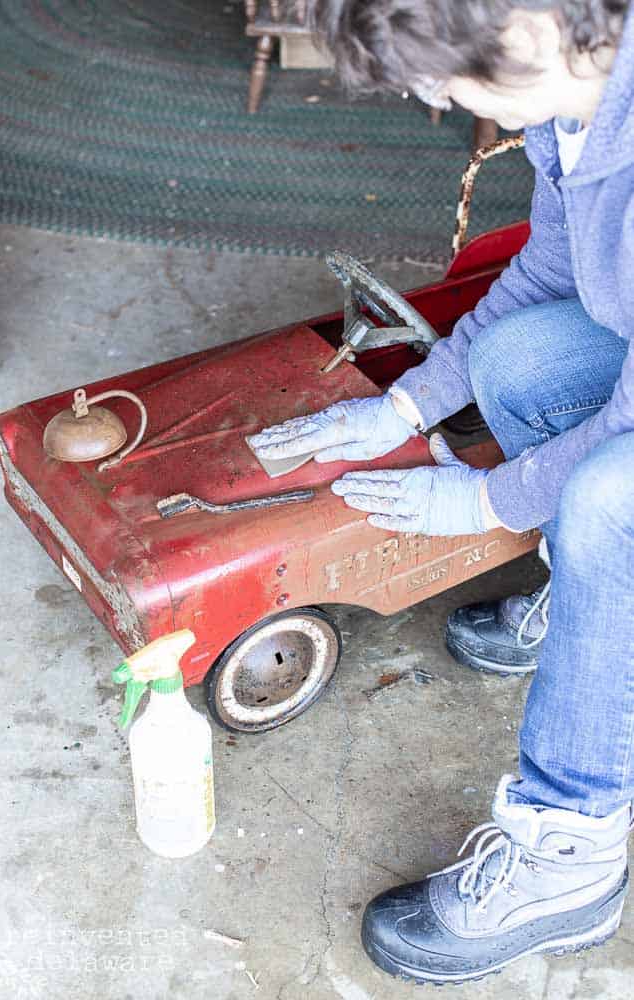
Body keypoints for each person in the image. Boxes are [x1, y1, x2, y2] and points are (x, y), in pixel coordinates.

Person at [249, 0, 634, 985]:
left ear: (539, 31)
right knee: (520, 358)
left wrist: (489, 499)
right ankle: (605, 620)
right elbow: (556, 262)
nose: (432, 96)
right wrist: (408, 406)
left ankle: (572, 855)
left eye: (444, 76)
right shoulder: (581, 97)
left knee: (605, 500)